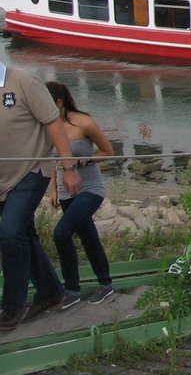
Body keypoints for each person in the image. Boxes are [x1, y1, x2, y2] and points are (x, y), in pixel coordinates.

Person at [0, 64, 80, 331]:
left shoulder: (24, 81)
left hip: (31, 170)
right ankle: (50, 294)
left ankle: (12, 307)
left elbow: (54, 123)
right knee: (23, 233)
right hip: (2, 176)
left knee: (10, 232)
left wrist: (69, 168)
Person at [45, 82, 114, 308]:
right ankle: (105, 283)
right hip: (66, 191)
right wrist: (54, 189)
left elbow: (108, 151)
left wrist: (85, 160)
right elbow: (56, 160)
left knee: (61, 234)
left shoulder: (83, 122)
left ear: (59, 102)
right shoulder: (48, 125)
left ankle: (71, 289)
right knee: (88, 237)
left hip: (90, 188)